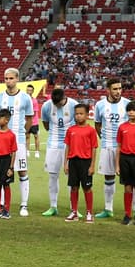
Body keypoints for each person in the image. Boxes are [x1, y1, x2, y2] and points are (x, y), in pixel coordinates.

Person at [0, 67, 36, 216]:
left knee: (22, 171)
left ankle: (24, 205)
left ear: (17, 79)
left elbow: (29, 119)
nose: (8, 81)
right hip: (2, 142)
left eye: (11, 78)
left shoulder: (25, 98)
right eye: (6, 78)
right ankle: (1, 206)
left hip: (18, 141)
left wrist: (23, 134)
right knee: (2, 173)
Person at [92, 78, 131, 219]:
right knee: (109, 177)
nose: (118, 91)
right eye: (115, 89)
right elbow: (97, 124)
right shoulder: (100, 105)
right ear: (107, 90)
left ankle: (134, 211)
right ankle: (108, 209)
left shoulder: (127, 104)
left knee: (130, 180)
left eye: (120, 88)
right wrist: (104, 138)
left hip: (126, 147)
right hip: (107, 146)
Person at [39, 87, 76, 217]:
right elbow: (45, 124)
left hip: (70, 145)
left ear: (64, 98)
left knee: (71, 177)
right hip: (53, 144)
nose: (57, 105)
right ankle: (53, 206)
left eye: (59, 103)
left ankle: (74, 208)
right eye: (55, 103)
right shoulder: (47, 106)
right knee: (53, 176)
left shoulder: (73, 105)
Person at [63, 103, 98, 222]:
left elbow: (94, 148)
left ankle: (89, 212)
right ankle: (74, 212)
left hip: (85, 162)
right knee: (74, 187)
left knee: (87, 188)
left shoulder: (91, 131)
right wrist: (65, 163)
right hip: (73, 161)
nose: (78, 116)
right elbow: (67, 147)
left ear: (87, 115)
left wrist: (92, 165)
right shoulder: (71, 130)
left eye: (81, 114)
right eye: (76, 114)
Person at [26, 83, 42, 158]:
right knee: (27, 137)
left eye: (30, 90)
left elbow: (34, 113)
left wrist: (30, 121)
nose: (29, 91)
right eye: (27, 90)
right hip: (26, 122)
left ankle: (37, 152)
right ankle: (27, 151)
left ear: (32, 92)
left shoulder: (34, 101)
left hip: (34, 122)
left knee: (36, 136)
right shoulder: (24, 100)